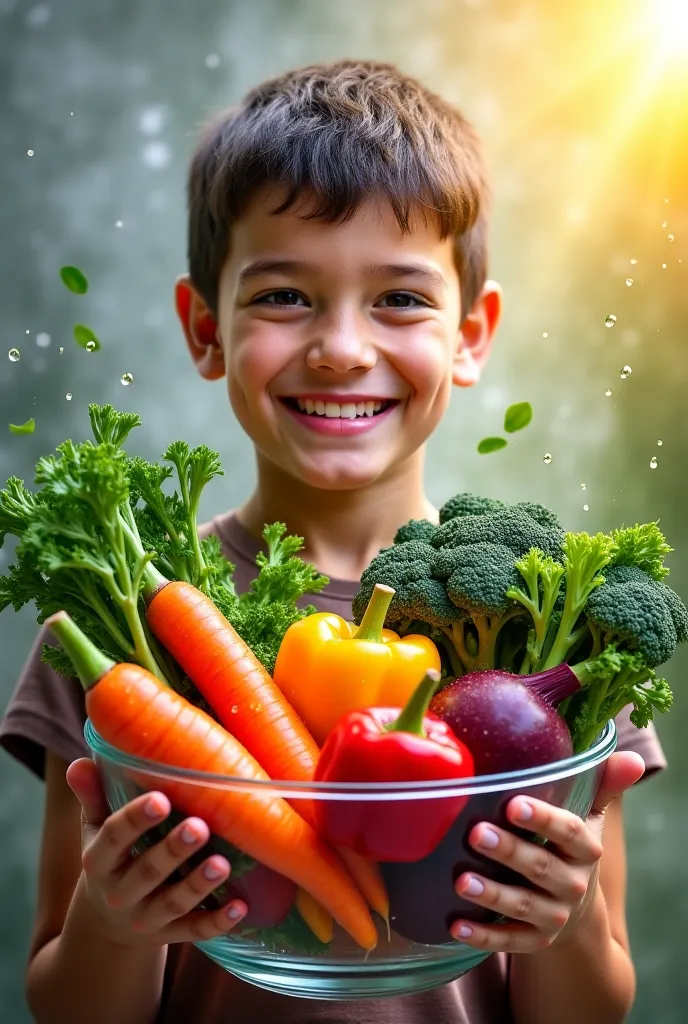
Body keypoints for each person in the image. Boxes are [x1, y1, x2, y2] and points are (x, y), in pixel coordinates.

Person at [0, 59, 666, 1024]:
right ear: (205, 328)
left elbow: (592, 1008)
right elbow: (65, 1002)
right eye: (283, 297)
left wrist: (563, 928)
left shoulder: (551, 632)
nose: (343, 347)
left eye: (399, 299)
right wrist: (112, 923)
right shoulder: (126, 622)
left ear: (473, 335)